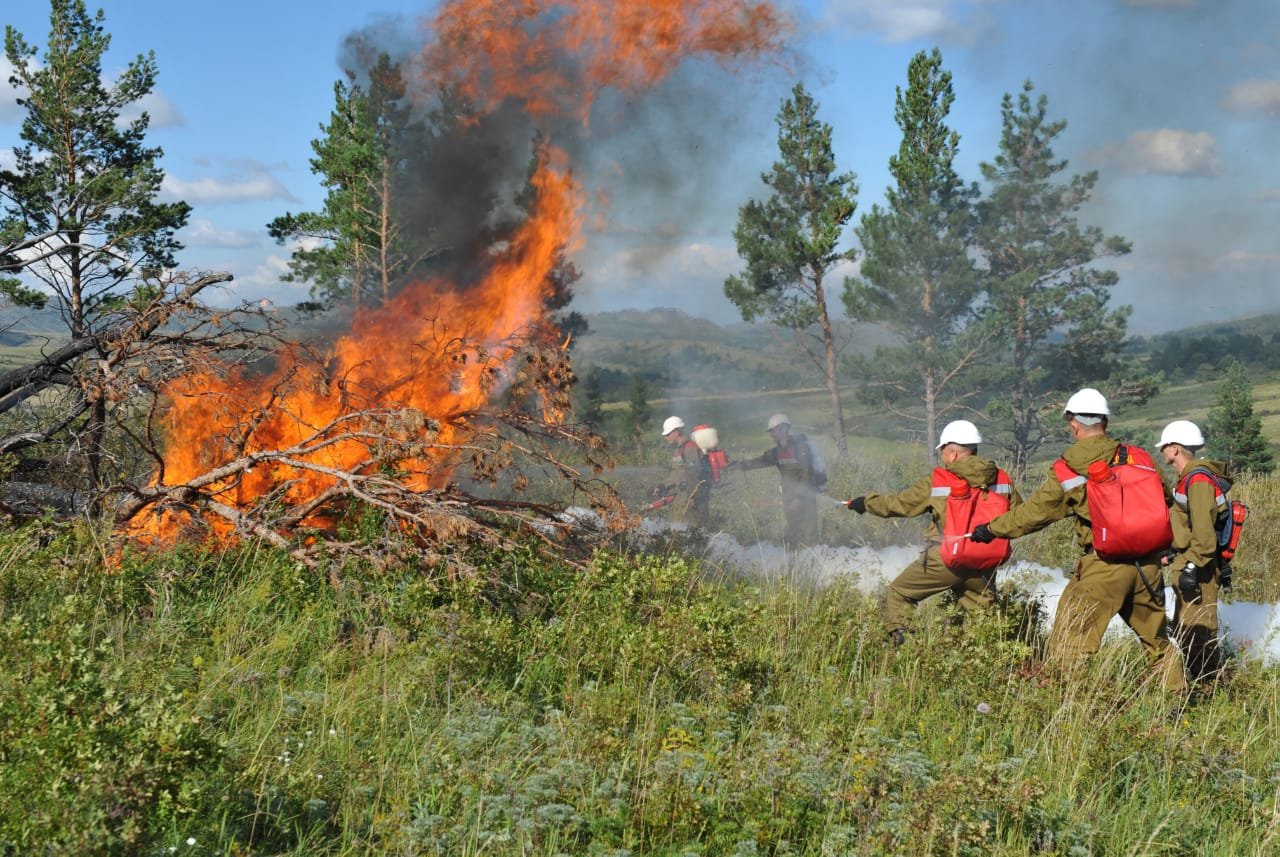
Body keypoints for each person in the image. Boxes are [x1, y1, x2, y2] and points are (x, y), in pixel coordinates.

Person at [970, 389, 1187, 693]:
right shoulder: (1139, 456)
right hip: (1147, 566)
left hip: (1103, 567)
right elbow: (1165, 502)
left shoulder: (1069, 466)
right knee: (1158, 642)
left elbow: (1034, 514)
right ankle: (1177, 700)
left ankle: (1072, 706)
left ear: (1074, 425)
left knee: (1070, 640)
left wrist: (992, 529)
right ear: (1105, 422)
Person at [846, 419, 1020, 645]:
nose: (942, 456)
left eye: (943, 451)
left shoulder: (939, 480)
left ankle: (906, 652)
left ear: (954, 453)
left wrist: (866, 503)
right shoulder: (1003, 479)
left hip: (946, 559)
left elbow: (901, 504)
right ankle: (999, 660)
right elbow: (1019, 516)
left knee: (899, 594)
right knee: (985, 623)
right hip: (984, 563)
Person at [1157, 419, 1229, 683]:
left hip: (1199, 566)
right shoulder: (1189, 477)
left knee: (1199, 629)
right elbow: (1188, 525)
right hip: (1191, 560)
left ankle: (1209, 685)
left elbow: (1204, 535)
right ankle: (1201, 681)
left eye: (1164, 446)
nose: (1162, 451)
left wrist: (1191, 565)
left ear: (1175, 448)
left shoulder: (1197, 480)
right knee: (1186, 626)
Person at [737, 414, 820, 547]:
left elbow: (807, 475)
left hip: (805, 496)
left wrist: (798, 498)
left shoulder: (801, 448)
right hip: (789, 495)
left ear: (783, 429)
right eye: (770, 431)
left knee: (809, 533)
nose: (771, 434)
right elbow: (762, 461)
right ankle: (795, 556)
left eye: (773, 430)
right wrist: (741, 465)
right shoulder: (777, 452)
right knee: (794, 530)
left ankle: (815, 556)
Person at [654, 415, 711, 528]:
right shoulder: (678, 449)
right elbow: (677, 474)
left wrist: (693, 497)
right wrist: (662, 486)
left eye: (668, 434)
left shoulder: (690, 447)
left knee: (696, 531)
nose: (665, 437)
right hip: (682, 498)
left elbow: (695, 473)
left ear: (676, 432)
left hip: (693, 500)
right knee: (679, 531)